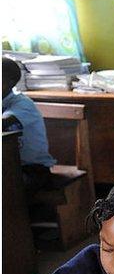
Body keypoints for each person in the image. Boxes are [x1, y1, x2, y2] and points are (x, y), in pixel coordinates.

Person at [2, 57, 56, 193]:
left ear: (10, 82)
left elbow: (4, 123)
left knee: (7, 188)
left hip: (33, 170)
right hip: (9, 166)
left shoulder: (23, 104)